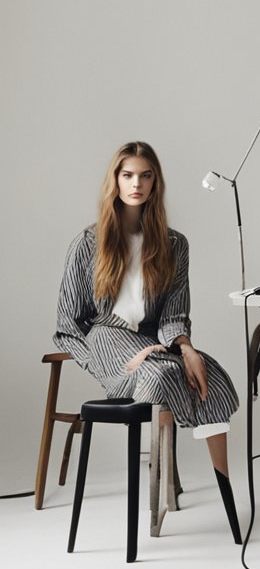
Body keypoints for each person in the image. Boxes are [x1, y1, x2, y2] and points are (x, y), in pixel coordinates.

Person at [54, 141, 241, 539]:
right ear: (115, 181)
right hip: (106, 340)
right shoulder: (89, 243)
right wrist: (99, 362)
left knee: (210, 375)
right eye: (127, 175)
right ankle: (157, 509)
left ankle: (226, 493)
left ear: (156, 182)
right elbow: (68, 324)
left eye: (145, 175)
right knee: (158, 374)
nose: (135, 183)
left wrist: (187, 349)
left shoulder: (174, 245)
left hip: (154, 342)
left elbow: (173, 314)